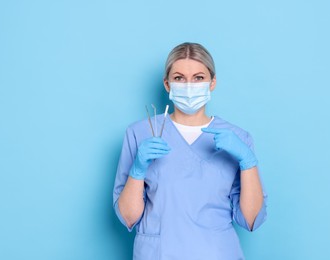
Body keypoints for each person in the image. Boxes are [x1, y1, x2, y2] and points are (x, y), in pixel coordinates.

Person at [113, 42, 267, 259]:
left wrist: (248, 162)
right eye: (179, 78)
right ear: (167, 84)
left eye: (198, 78)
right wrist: (137, 170)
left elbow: (251, 220)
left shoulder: (238, 139)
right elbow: (128, 217)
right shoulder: (140, 133)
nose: (188, 85)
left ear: (212, 82)